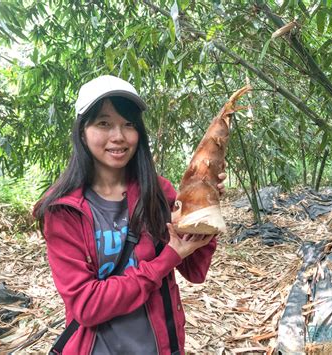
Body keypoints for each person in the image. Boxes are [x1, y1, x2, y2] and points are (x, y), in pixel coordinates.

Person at [34, 75, 226, 355]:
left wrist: (204, 206)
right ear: (82, 131)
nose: (119, 136)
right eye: (104, 123)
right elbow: (87, 306)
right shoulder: (64, 210)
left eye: (128, 124)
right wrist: (165, 260)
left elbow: (195, 270)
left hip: (158, 346)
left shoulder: (158, 193)